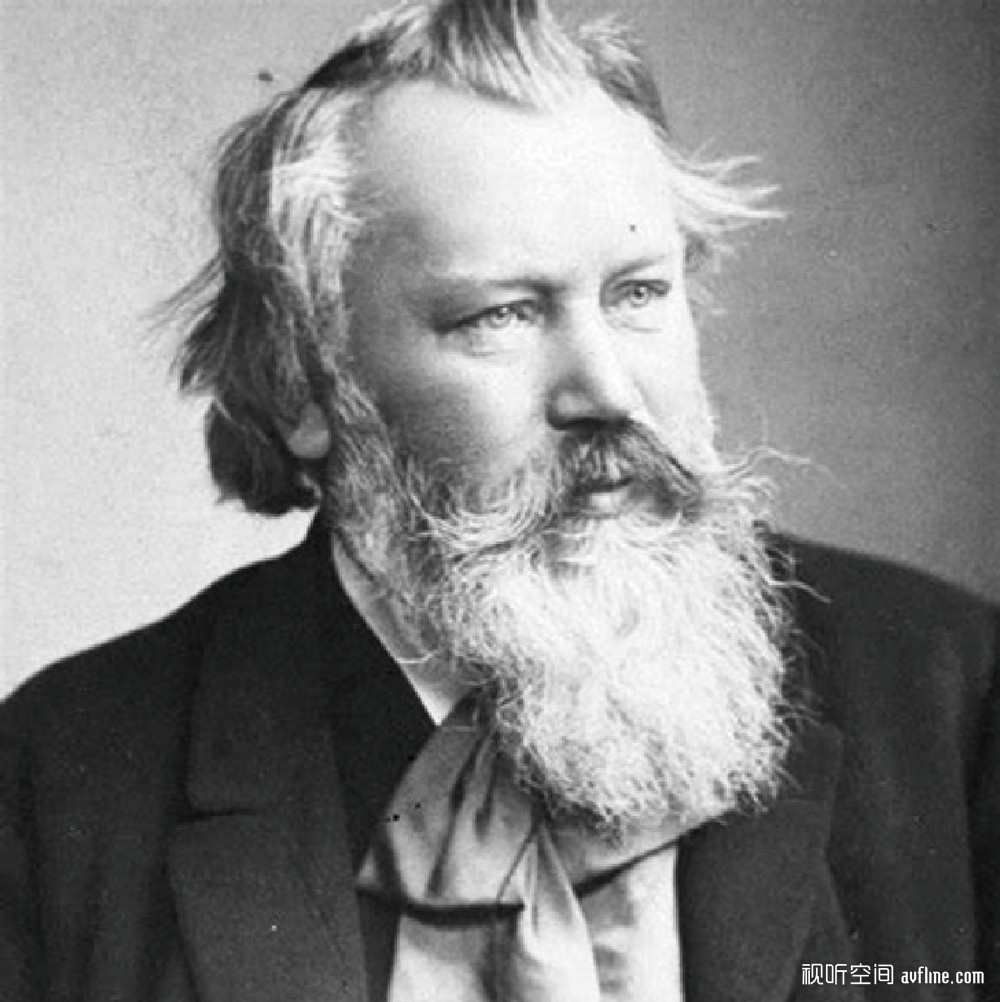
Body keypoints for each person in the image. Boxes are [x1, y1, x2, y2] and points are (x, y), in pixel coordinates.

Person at [1, 0, 996, 999]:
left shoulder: (954, 694)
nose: (607, 392)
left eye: (638, 293)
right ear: (304, 382)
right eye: (503, 315)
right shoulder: (53, 781)